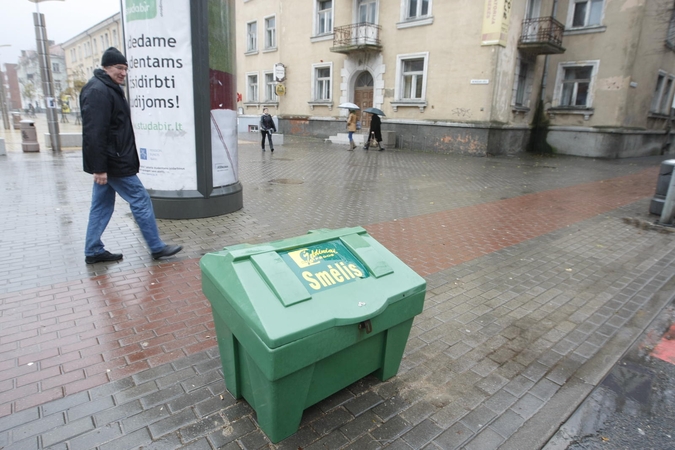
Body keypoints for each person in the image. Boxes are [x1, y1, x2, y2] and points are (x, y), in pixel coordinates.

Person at [80, 47, 183, 264]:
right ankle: (156, 247)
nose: (123, 73)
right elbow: (94, 132)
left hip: (111, 160)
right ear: (106, 67)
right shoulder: (99, 91)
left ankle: (93, 249)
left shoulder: (107, 88)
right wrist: (99, 168)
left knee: (101, 204)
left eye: (126, 69)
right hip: (113, 161)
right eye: (119, 68)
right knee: (140, 198)